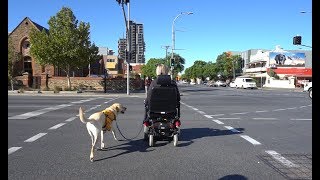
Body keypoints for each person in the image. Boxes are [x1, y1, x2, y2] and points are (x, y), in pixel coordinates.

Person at [143, 64, 180, 129]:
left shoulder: (153, 83)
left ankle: (146, 122)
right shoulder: (173, 83)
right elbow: (178, 98)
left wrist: (146, 102)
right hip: (170, 110)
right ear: (167, 71)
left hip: (154, 110)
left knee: (146, 104)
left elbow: (149, 97)